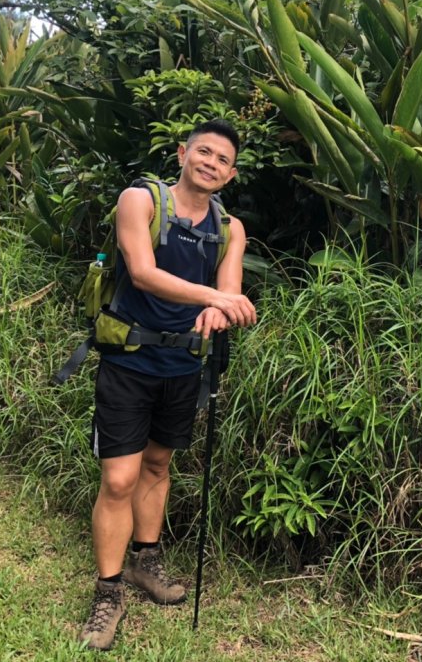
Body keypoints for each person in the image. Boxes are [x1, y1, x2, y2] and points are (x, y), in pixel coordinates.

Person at [78, 119, 257, 651]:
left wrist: (217, 315)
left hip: (183, 369)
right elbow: (142, 271)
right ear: (183, 153)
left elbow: (227, 292)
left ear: (230, 174)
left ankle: (146, 562)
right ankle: (107, 593)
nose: (211, 163)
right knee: (118, 479)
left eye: (223, 160)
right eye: (203, 151)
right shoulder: (140, 201)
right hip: (130, 362)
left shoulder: (231, 230)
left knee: (158, 465)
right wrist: (213, 301)